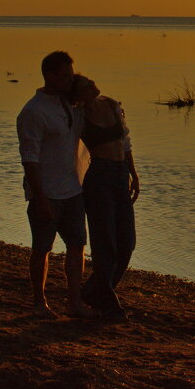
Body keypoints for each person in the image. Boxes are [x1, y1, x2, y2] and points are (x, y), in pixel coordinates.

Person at [16, 50, 92, 319]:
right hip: (46, 192)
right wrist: (40, 198)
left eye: (72, 76)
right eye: (66, 76)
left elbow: (92, 91)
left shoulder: (68, 104)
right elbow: (30, 159)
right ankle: (39, 302)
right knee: (42, 248)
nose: (71, 81)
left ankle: (75, 303)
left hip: (73, 189)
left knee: (77, 245)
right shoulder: (34, 112)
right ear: (50, 76)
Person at [69, 75, 139, 321]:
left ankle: (93, 291)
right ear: (78, 94)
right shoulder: (78, 116)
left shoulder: (111, 103)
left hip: (120, 176)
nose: (92, 83)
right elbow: (64, 144)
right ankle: (107, 300)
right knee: (105, 243)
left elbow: (125, 141)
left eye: (90, 80)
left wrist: (133, 173)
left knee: (127, 242)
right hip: (98, 178)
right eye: (85, 85)